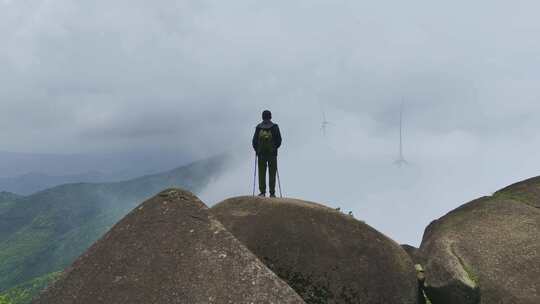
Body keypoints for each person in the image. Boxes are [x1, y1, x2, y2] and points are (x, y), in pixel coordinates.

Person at [252, 110, 282, 197]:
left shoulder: (259, 127)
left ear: (262, 117)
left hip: (261, 154)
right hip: (272, 154)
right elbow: (279, 140)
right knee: (272, 173)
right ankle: (272, 193)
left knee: (261, 173)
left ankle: (262, 192)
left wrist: (257, 150)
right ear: (270, 117)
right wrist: (274, 148)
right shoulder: (275, 127)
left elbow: (254, 141)